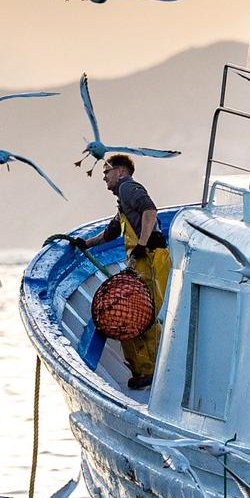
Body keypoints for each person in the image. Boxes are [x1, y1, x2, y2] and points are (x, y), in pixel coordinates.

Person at [76, 154, 169, 390]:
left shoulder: (129, 188)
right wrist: (85, 244)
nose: (104, 179)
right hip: (140, 260)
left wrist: (142, 244)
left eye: (105, 173)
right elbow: (111, 232)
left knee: (143, 315)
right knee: (137, 312)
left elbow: (150, 210)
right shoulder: (123, 201)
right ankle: (145, 370)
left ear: (120, 171)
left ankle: (153, 370)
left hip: (148, 258)